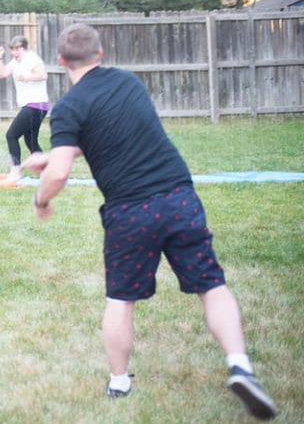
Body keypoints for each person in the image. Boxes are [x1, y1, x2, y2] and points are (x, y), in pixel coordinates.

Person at [21, 24, 278, 420]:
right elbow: (117, 136)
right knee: (212, 285)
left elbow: (58, 176)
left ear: (60, 62)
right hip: (178, 196)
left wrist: (41, 197)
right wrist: (59, 154)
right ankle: (240, 364)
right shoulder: (128, 83)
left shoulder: (69, 107)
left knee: (120, 299)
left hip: (131, 212)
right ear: (100, 54)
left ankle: (119, 382)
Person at [0, 35, 50, 182]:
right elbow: (2, 74)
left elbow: (43, 75)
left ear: (25, 48)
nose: (14, 52)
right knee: (31, 140)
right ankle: (47, 172)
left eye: (17, 48)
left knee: (11, 135)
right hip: (36, 106)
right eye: (12, 49)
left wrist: (26, 76)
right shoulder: (15, 61)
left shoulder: (33, 59)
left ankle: (15, 172)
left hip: (35, 105)